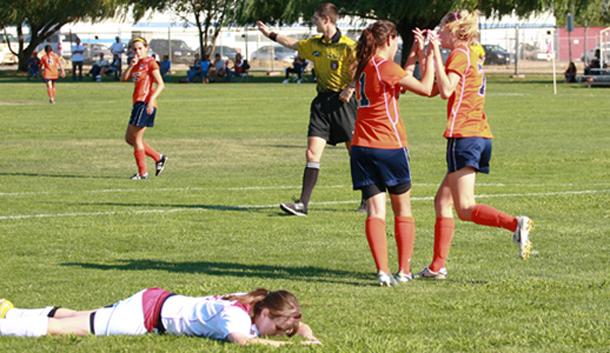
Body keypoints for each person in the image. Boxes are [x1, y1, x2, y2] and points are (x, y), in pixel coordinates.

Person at [418, 10, 533, 280]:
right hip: (478, 134)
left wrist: (434, 52)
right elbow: (434, 88)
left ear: (455, 31)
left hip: (464, 135)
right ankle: (437, 267)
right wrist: (426, 55)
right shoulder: (469, 53)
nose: (439, 34)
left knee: (465, 208)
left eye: (443, 30)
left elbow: (445, 90)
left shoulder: (460, 54)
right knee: (442, 201)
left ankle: (515, 223)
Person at [257, 2, 359, 216]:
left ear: (326, 20)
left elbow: (361, 70)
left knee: (356, 152)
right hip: (321, 104)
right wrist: (270, 33)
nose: (314, 23)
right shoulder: (314, 44)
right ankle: (303, 204)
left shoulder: (348, 46)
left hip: (343, 104)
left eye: (316, 19)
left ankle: (368, 197)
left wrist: (350, 88)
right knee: (312, 153)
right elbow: (292, 44)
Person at [352, 21, 434, 286]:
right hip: (388, 145)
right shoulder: (386, 67)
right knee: (403, 209)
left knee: (375, 210)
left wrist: (414, 54)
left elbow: (400, 78)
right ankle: (404, 270)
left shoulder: (365, 65)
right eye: (397, 40)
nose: (398, 45)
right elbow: (427, 88)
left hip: (361, 147)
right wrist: (430, 56)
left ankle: (382, 272)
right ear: (388, 39)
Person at [0, 288, 320, 346]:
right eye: (276, 329)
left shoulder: (250, 303)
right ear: (264, 313)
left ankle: (10, 312)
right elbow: (243, 342)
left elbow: (292, 322)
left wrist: (304, 332)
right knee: (65, 330)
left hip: (152, 300)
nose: (275, 334)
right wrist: (291, 348)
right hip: (144, 316)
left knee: (77, 316)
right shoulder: (236, 321)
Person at [121, 37, 168, 180]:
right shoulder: (137, 63)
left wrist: (151, 100)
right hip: (138, 104)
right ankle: (158, 158)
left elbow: (161, 84)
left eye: (140, 48)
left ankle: (142, 173)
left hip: (145, 103)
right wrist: (130, 65)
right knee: (129, 138)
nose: (137, 51)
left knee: (136, 138)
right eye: (135, 49)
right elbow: (123, 78)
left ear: (146, 48)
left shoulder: (150, 63)